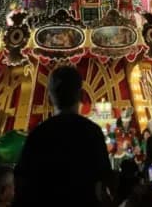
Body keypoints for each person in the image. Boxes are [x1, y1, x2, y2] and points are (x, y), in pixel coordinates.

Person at [14, 66, 113, 206]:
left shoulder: (38, 135)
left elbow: (22, 182)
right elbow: (104, 180)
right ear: (81, 96)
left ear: (49, 98)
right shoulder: (93, 132)